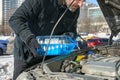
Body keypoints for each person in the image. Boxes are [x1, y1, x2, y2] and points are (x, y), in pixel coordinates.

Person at [9, 0, 85, 80]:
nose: (81, 4)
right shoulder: (39, 1)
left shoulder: (74, 9)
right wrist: (29, 38)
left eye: (84, 0)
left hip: (51, 55)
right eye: (78, 0)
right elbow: (15, 19)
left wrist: (74, 39)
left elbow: (72, 32)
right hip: (26, 55)